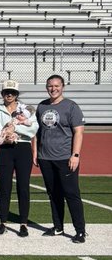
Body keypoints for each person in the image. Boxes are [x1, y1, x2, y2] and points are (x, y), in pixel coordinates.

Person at [0, 80, 38, 237]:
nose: (9, 95)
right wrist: (3, 136)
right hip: (5, 149)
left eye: (12, 92)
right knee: (4, 186)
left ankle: (23, 223)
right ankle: (3, 222)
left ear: (17, 95)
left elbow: (33, 128)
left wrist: (16, 128)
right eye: (6, 92)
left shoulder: (26, 109)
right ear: (2, 94)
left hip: (23, 148)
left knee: (23, 187)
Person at [35, 75, 86, 243]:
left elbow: (78, 131)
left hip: (65, 158)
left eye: (56, 85)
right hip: (45, 158)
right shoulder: (42, 106)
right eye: (50, 86)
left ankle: (80, 230)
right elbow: (37, 132)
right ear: (46, 87)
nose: (53, 88)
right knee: (53, 194)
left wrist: (75, 155)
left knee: (71, 194)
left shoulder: (71, 107)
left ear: (62, 86)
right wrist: (35, 152)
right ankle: (58, 227)